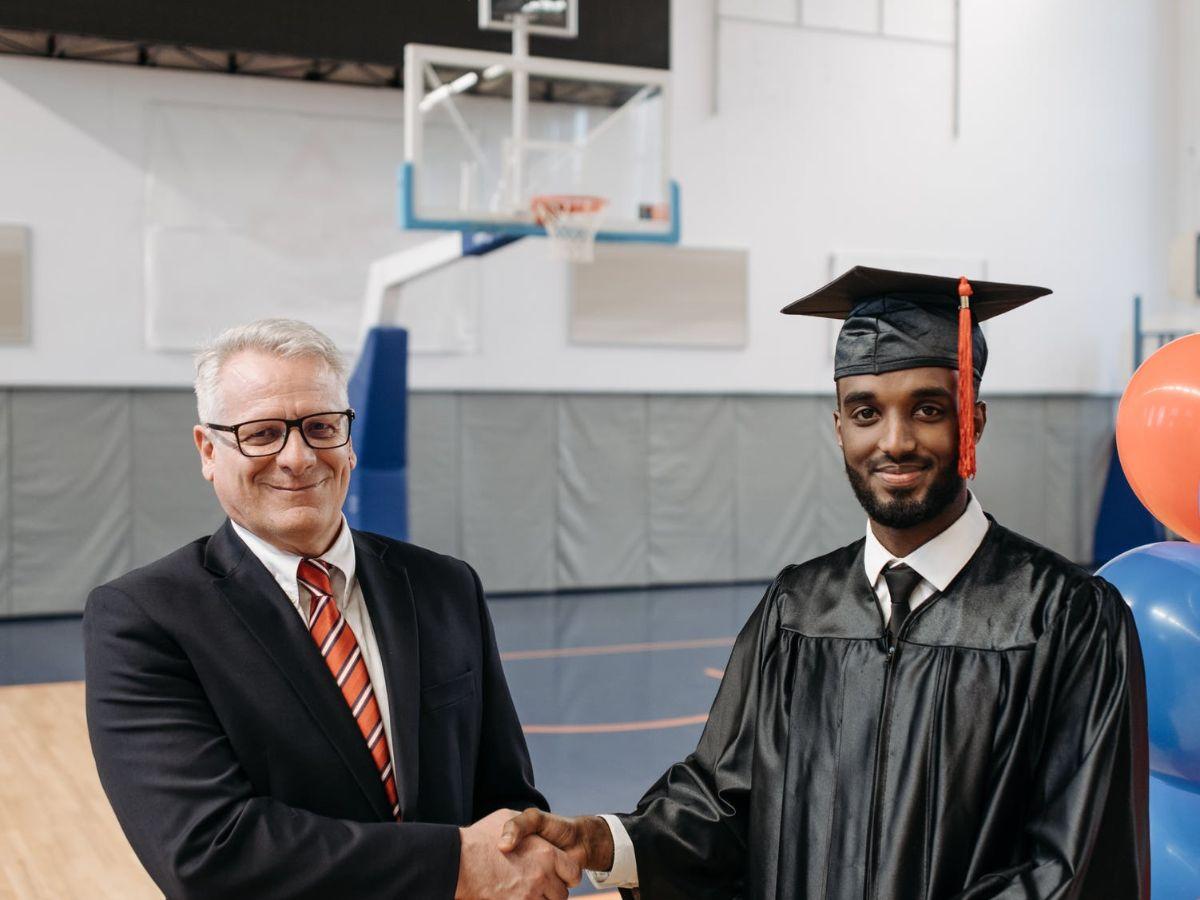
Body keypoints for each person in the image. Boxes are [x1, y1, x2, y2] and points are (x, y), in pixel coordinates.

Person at [499, 268, 1151, 899]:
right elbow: (722, 810)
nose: (894, 442)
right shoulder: (798, 611)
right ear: (840, 428)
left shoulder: (1064, 620)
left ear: (972, 422)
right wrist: (604, 842)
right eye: (866, 413)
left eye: (927, 409)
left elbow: (1073, 867)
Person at [84, 319, 579, 900]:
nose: (297, 457)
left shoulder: (444, 586)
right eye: (263, 433)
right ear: (207, 450)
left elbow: (505, 792)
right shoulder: (144, 619)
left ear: (348, 437)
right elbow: (208, 851)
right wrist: (454, 866)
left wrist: (517, 856)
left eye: (321, 427)